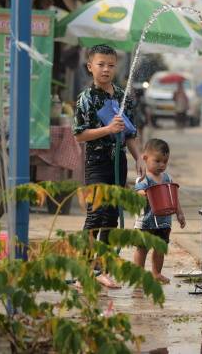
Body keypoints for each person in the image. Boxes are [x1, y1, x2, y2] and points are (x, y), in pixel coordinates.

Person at [73, 44, 144, 289]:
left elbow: (131, 133)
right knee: (96, 215)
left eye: (111, 65)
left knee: (112, 217)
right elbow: (80, 135)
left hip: (119, 162)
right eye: (100, 65)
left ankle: (101, 269)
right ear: (90, 67)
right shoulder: (87, 98)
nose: (106, 69)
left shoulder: (123, 97)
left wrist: (139, 158)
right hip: (97, 163)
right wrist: (107, 129)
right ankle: (84, 269)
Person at [133, 138, 186, 284]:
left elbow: (173, 197)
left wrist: (179, 213)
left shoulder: (167, 178)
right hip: (145, 223)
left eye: (165, 161)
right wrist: (144, 193)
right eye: (157, 161)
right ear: (145, 158)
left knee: (160, 249)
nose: (162, 165)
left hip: (163, 222)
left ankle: (156, 273)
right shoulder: (143, 178)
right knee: (142, 249)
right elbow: (137, 192)